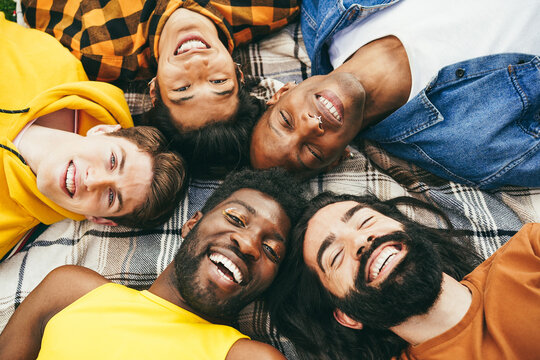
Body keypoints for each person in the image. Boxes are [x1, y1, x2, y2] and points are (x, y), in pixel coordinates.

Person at [0, 168, 306, 360]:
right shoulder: (69, 290)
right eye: (236, 219)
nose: (249, 244)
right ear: (191, 224)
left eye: (271, 250)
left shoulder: (248, 357)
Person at [250, 0, 540, 189]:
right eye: (313, 151)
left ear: (283, 91)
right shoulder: (473, 149)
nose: (312, 125)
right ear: (338, 159)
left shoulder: (324, 10)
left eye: (286, 120)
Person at [22, 0, 299, 177]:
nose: (197, 65)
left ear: (154, 91)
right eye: (219, 82)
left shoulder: (100, 48)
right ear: (238, 73)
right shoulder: (271, 6)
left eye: (182, 88)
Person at [0, 14, 187, 260]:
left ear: (99, 219)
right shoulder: (51, 64)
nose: (93, 181)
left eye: (111, 197)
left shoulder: (5, 230)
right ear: (103, 131)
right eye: (112, 160)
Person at [268, 191, 540, 359]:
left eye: (365, 221)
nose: (361, 241)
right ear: (348, 316)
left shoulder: (530, 250)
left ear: (407, 227)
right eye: (336, 257)